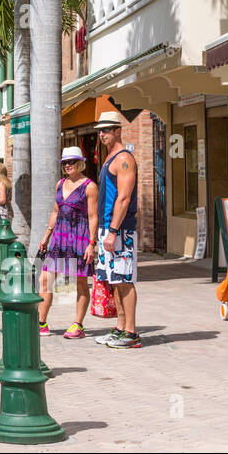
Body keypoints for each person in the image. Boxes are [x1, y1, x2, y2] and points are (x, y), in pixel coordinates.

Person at [36, 148, 99, 339]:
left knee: (80, 283)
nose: (67, 165)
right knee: (45, 280)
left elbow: (93, 216)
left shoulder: (89, 186)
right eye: (64, 162)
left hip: (79, 238)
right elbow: (55, 211)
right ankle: (41, 323)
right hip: (59, 238)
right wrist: (46, 235)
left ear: (80, 163)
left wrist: (91, 244)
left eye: (71, 161)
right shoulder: (60, 183)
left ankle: (77, 325)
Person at [91, 111, 141, 348]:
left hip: (120, 229)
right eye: (100, 130)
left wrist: (113, 230)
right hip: (107, 228)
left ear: (118, 130)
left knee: (124, 279)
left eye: (107, 129)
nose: (102, 134)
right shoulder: (110, 157)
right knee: (113, 280)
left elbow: (124, 198)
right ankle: (120, 327)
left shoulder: (124, 159)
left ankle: (131, 332)